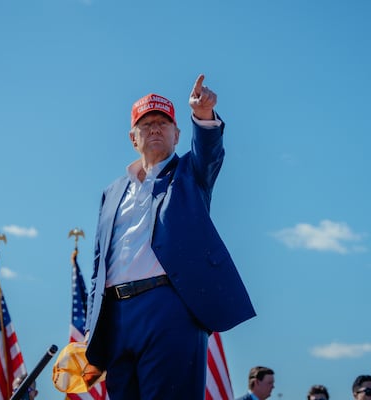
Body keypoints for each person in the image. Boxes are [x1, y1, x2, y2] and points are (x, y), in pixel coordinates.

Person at [84, 74, 256, 400]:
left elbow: (209, 152)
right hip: (116, 317)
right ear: (133, 137)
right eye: (146, 124)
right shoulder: (111, 193)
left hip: (169, 307)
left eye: (163, 123)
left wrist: (204, 114)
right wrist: (93, 329)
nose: (155, 129)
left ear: (177, 135)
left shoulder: (190, 174)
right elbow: (98, 267)